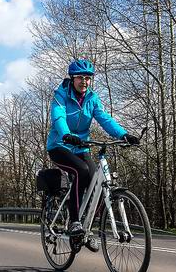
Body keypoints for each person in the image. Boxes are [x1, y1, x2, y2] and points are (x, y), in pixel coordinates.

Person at [46, 59, 140, 252]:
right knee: (81, 171)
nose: (84, 81)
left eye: (88, 78)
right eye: (80, 77)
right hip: (60, 146)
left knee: (97, 181)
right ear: (72, 78)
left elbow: (104, 119)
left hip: (81, 148)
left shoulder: (92, 98)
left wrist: (123, 134)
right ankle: (74, 222)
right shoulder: (60, 95)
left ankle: (86, 229)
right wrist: (66, 134)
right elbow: (58, 117)